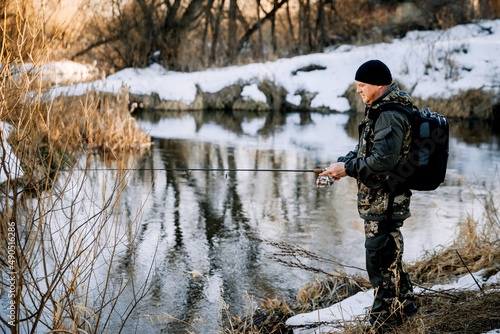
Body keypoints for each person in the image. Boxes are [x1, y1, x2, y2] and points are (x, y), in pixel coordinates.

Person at [320, 59, 418, 329]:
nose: (358, 90)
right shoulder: (380, 109)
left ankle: (383, 321)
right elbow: (366, 150)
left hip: (385, 201)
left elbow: (383, 162)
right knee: (390, 255)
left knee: (379, 260)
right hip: (381, 199)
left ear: (378, 85)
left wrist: (348, 168)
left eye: (362, 85)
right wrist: (341, 165)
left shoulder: (390, 114)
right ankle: (406, 307)